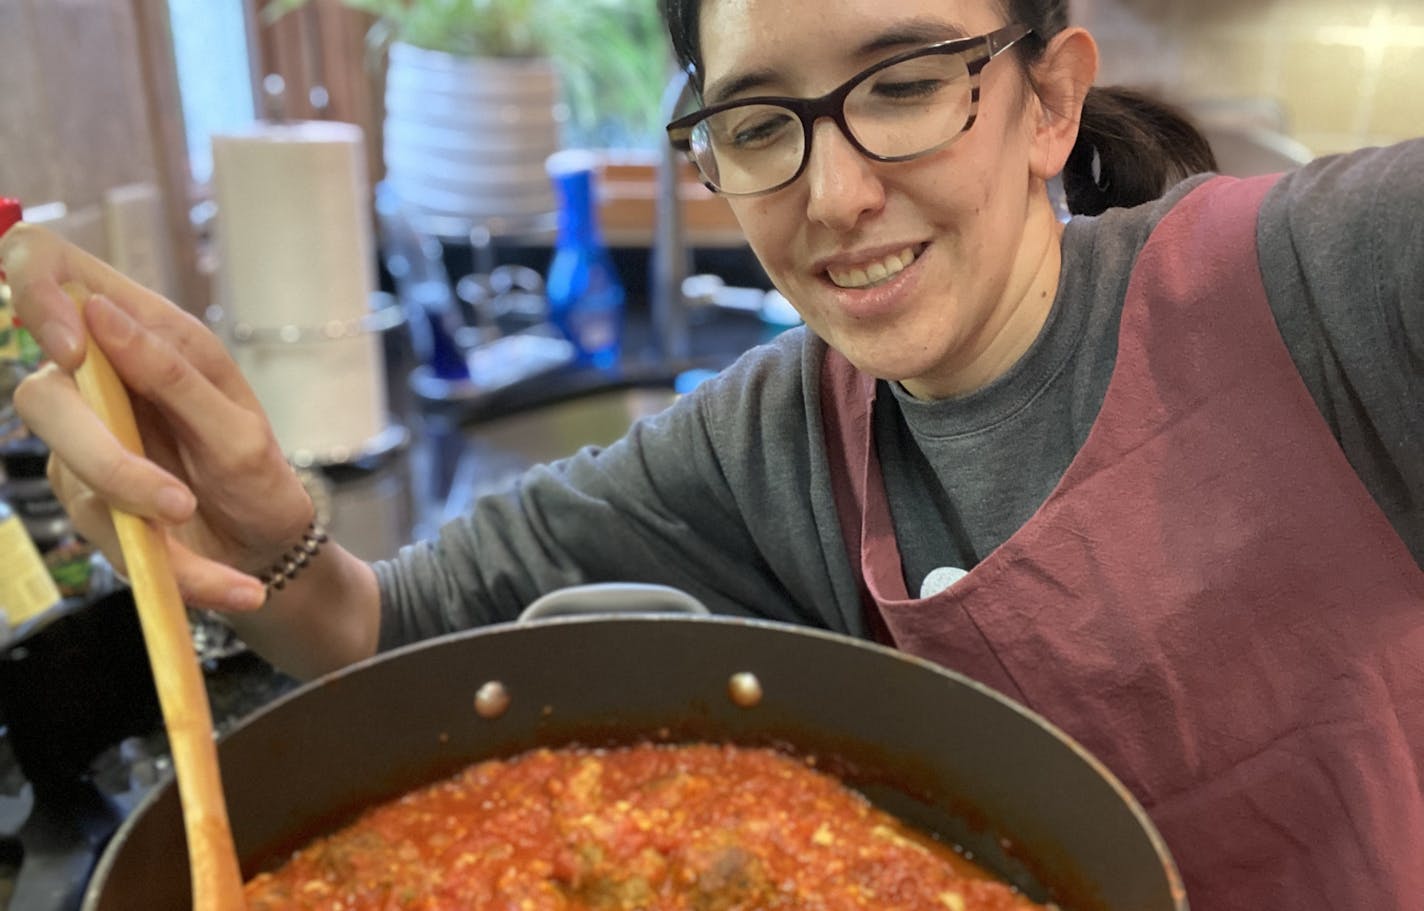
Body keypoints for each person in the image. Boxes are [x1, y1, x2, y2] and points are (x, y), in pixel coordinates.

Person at [3, 0, 1421, 906]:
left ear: (1049, 97)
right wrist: (257, 511)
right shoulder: (773, 437)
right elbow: (386, 639)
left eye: (907, 83)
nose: (840, 193)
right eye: (759, 125)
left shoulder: (1325, 274)